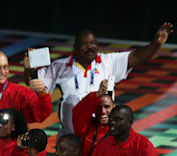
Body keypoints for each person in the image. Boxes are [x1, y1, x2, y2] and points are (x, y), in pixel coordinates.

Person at [34, 23, 172, 135]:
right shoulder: (60, 66)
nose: (89, 47)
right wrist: (29, 68)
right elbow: (35, 82)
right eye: (84, 44)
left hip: (102, 136)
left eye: (93, 43)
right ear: (75, 47)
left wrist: (156, 44)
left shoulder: (109, 62)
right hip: (71, 137)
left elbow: (137, 57)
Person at [0, 50, 52, 124]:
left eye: (5, 67)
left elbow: (40, 115)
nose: (3, 72)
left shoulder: (20, 92)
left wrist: (43, 93)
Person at [74, 80, 113, 156]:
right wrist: (96, 95)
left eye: (106, 107)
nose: (102, 111)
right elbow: (78, 113)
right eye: (98, 107)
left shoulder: (121, 131)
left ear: (113, 107)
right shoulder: (86, 127)